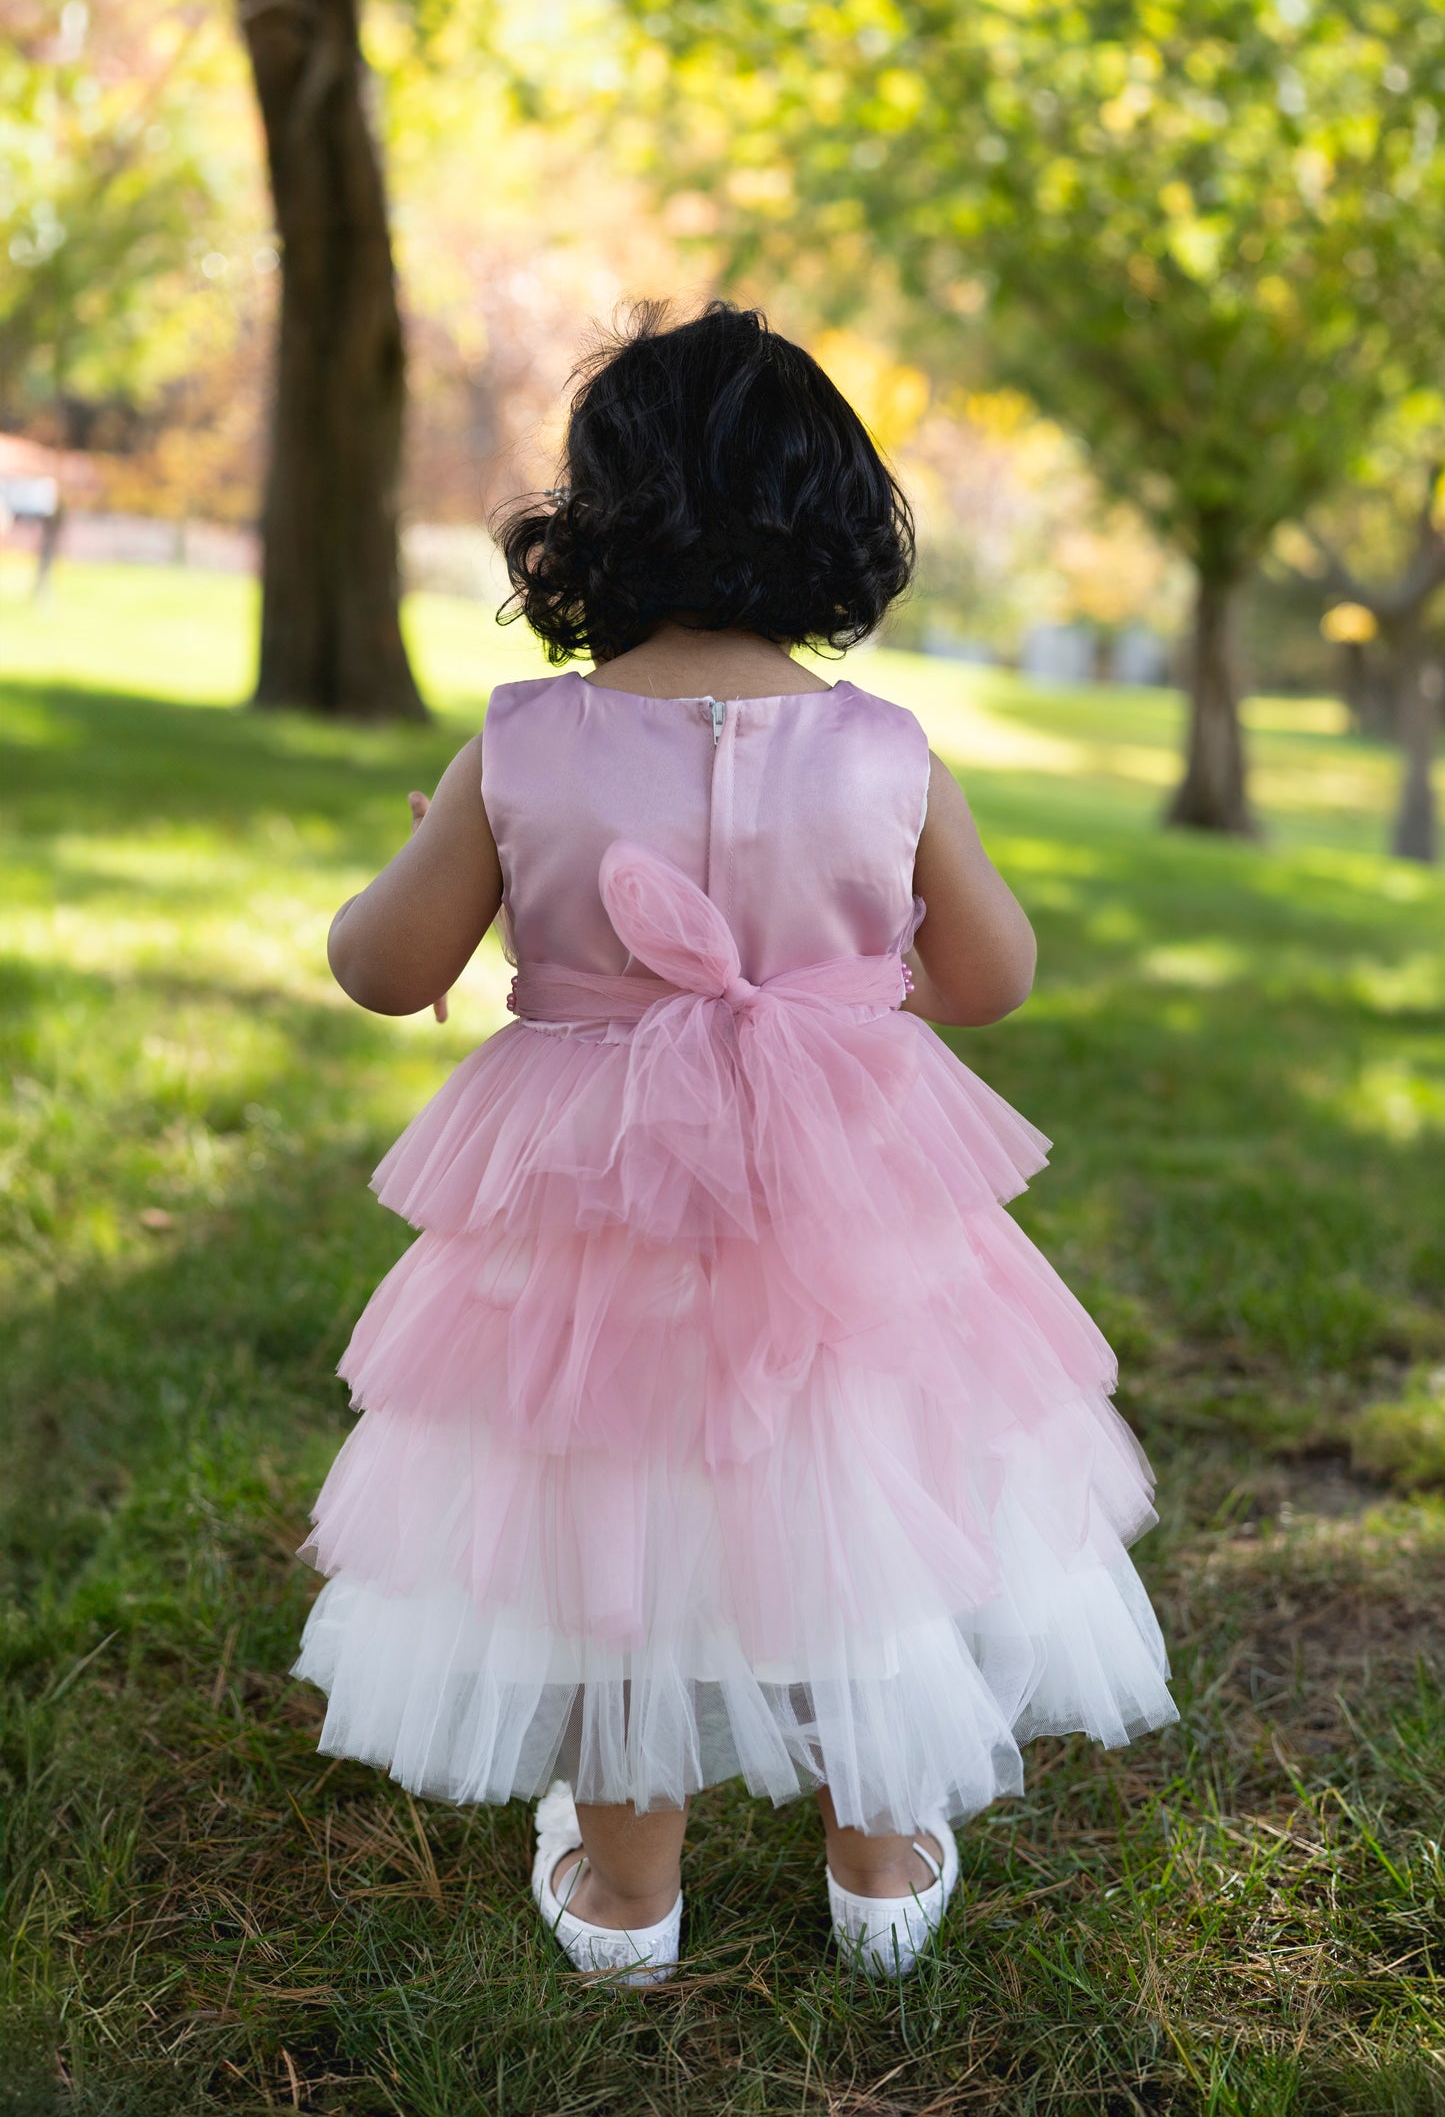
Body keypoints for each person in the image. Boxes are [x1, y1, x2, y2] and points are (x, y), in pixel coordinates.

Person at [293, 300, 1178, 1991]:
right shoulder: (883, 754)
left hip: (594, 1190)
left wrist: (435, 863)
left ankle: (629, 1886)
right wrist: (847, 978)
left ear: (593, 520)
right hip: (845, 1181)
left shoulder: (522, 744)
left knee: (613, 1480)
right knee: (865, 1464)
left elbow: (380, 967)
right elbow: (989, 980)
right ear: (835, 518)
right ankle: (880, 1850)